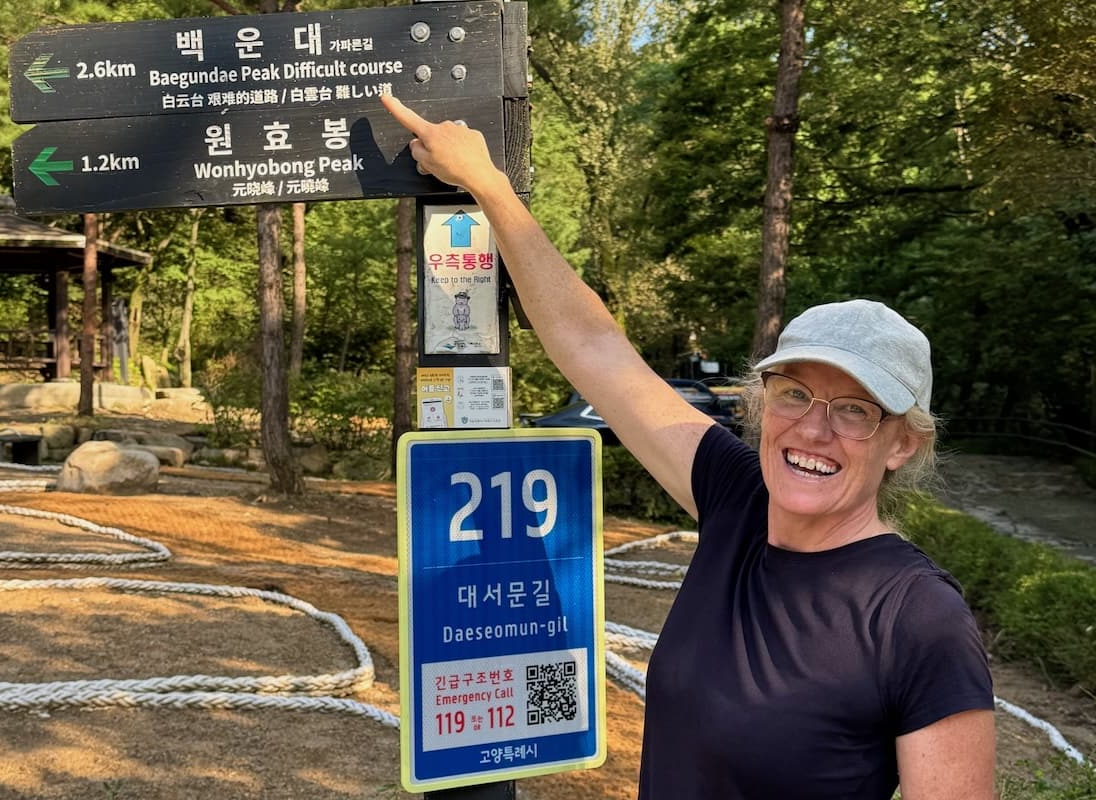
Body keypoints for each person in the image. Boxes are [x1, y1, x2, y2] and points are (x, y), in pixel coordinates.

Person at [382, 95, 996, 799]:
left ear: (901, 445)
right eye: (794, 394)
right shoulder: (736, 500)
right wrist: (489, 187)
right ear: (764, 403)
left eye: (854, 411)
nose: (814, 430)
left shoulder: (916, 615)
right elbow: (596, 349)